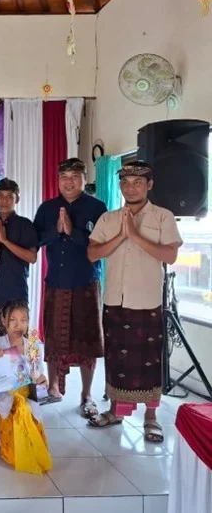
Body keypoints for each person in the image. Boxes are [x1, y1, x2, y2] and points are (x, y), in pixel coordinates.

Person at [87, 161, 182, 442]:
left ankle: (151, 418)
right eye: (125, 183)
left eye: (138, 182)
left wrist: (136, 236)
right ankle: (115, 411)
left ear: (149, 185)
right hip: (115, 300)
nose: (130, 188)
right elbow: (92, 254)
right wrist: (121, 235)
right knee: (116, 359)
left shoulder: (164, 217)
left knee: (149, 362)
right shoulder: (109, 219)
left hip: (146, 301)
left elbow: (170, 256)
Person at [34, 158, 106, 417]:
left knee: (88, 338)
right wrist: (56, 231)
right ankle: (53, 388)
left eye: (75, 176)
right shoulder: (47, 208)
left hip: (86, 281)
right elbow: (35, 240)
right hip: (56, 281)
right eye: (64, 177)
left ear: (84, 179)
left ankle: (87, 394)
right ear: (58, 180)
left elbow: (102, 245)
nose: (69, 182)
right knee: (54, 336)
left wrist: (73, 231)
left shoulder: (97, 208)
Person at [0, 300, 52, 474]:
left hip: (28, 394)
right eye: (13, 320)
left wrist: (42, 380)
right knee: (13, 447)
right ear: (3, 320)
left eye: (23, 320)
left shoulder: (33, 345)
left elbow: (38, 373)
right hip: (7, 395)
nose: (18, 325)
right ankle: (0, 426)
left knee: (27, 414)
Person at [0, 178, 38, 340]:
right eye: (1, 196)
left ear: (17, 199)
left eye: (10, 196)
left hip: (15, 294)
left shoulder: (25, 225)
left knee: (18, 341)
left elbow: (32, 257)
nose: (5, 200)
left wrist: (5, 241)